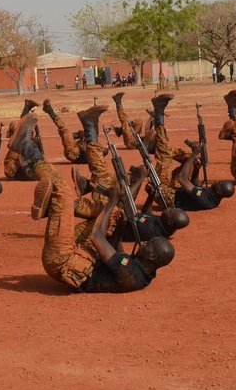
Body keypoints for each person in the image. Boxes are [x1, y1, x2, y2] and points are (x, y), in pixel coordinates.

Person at [10, 118, 174, 293]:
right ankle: (54, 208)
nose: (143, 244)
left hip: (61, 259)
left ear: (153, 256)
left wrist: (111, 202)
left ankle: (25, 147)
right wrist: (119, 225)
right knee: (113, 216)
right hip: (79, 253)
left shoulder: (130, 275)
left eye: (148, 245)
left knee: (62, 191)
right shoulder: (142, 269)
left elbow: (97, 238)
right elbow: (116, 252)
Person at [171, 141, 236, 211]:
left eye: (219, 183)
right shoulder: (213, 195)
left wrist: (194, 155)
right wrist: (197, 169)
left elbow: (182, 178)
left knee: (168, 165)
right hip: (180, 192)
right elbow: (197, 187)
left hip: (172, 198)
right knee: (188, 160)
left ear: (219, 191)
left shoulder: (204, 199)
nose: (217, 181)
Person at [2, 100, 41, 181]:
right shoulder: (15, 150)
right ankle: (26, 109)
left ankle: (26, 109)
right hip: (20, 171)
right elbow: (9, 172)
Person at [42, 99, 86, 164]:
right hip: (75, 149)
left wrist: (84, 139)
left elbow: (83, 149)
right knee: (66, 132)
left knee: (64, 130)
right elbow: (75, 136)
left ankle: (49, 111)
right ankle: (49, 110)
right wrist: (82, 135)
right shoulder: (90, 137)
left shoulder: (92, 147)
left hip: (73, 154)